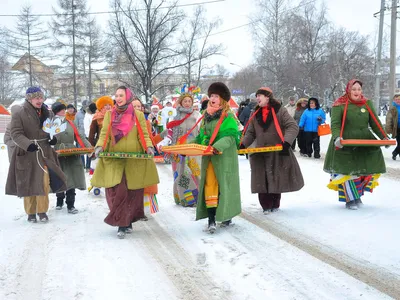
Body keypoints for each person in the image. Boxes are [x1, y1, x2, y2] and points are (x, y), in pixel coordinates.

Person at [91, 86, 159, 238]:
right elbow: (104, 133)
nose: (118, 98)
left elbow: (144, 134)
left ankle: (127, 220)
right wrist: (99, 146)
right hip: (114, 159)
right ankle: (121, 224)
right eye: (116, 95)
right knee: (118, 191)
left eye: (121, 95)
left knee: (133, 192)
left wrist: (148, 146)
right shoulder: (110, 114)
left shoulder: (138, 115)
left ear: (128, 97)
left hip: (134, 160)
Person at [6, 87, 66, 223]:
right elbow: (15, 133)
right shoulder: (19, 113)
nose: (39, 100)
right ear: (29, 98)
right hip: (27, 152)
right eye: (36, 98)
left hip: (44, 152)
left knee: (44, 182)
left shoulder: (48, 113)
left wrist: (53, 138)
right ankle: (31, 212)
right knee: (29, 183)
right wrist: (27, 144)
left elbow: (52, 129)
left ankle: (42, 211)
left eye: (41, 97)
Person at [323, 79, 387, 210]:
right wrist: (337, 138)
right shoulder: (339, 105)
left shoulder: (367, 103)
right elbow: (335, 125)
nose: (357, 92)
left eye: (359, 89)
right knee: (348, 171)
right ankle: (350, 199)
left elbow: (375, 123)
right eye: (354, 89)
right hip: (345, 141)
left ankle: (357, 196)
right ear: (348, 90)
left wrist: (384, 137)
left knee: (362, 169)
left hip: (364, 141)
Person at [240, 87, 304, 214]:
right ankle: (265, 205)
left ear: (268, 97)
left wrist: (286, 142)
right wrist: (243, 145)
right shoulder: (255, 113)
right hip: (259, 153)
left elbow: (292, 126)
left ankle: (275, 203)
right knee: (261, 180)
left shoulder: (280, 110)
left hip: (277, 151)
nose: (257, 98)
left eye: (260, 96)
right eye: (256, 96)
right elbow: (251, 133)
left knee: (275, 177)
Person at [195, 82, 241, 233]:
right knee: (210, 186)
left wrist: (217, 146)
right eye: (211, 95)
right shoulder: (206, 115)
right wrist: (184, 147)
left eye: (216, 96)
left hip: (224, 157)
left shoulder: (228, 116)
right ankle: (211, 219)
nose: (213, 98)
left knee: (225, 186)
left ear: (222, 99)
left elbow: (231, 136)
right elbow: (201, 136)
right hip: (209, 157)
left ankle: (226, 214)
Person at [160, 91, 202, 206]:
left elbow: (201, 131)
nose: (187, 103)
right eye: (185, 101)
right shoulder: (176, 116)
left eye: (189, 101)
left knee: (195, 172)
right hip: (179, 150)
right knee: (181, 174)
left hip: (193, 150)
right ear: (181, 102)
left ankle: (197, 197)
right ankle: (184, 198)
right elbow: (169, 130)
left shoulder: (197, 115)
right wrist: (161, 139)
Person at [52, 101, 92, 213]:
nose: (63, 111)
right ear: (55, 111)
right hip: (56, 154)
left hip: (71, 154)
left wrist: (89, 147)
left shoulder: (71, 123)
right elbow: (46, 140)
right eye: (60, 109)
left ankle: (71, 204)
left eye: (63, 109)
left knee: (71, 179)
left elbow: (80, 137)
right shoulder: (49, 124)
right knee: (58, 178)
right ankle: (59, 200)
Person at [385, 93, 400, 160]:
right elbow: (389, 119)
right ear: (394, 100)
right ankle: (395, 153)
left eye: (399, 99)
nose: (398, 100)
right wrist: (388, 129)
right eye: (396, 99)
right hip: (397, 128)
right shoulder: (392, 109)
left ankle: (395, 152)